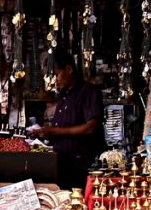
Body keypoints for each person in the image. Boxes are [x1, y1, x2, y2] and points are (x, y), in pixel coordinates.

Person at [34, 51, 104, 189]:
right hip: (62, 163)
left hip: (80, 165)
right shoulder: (64, 95)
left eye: (56, 75)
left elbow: (90, 127)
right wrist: (44, 132)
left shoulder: (88, 92)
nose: (55, 80)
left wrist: (54, 131)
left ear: (68, 69)